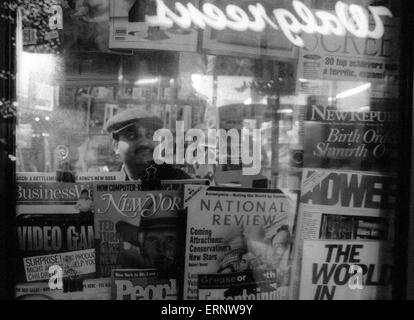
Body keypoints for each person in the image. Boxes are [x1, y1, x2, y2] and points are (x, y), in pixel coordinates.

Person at [105, 108, 190, 182]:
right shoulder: (106, 182)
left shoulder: (180, 181)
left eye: (150, 135)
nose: (144, 142)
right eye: (132, 136)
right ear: (116, 146)